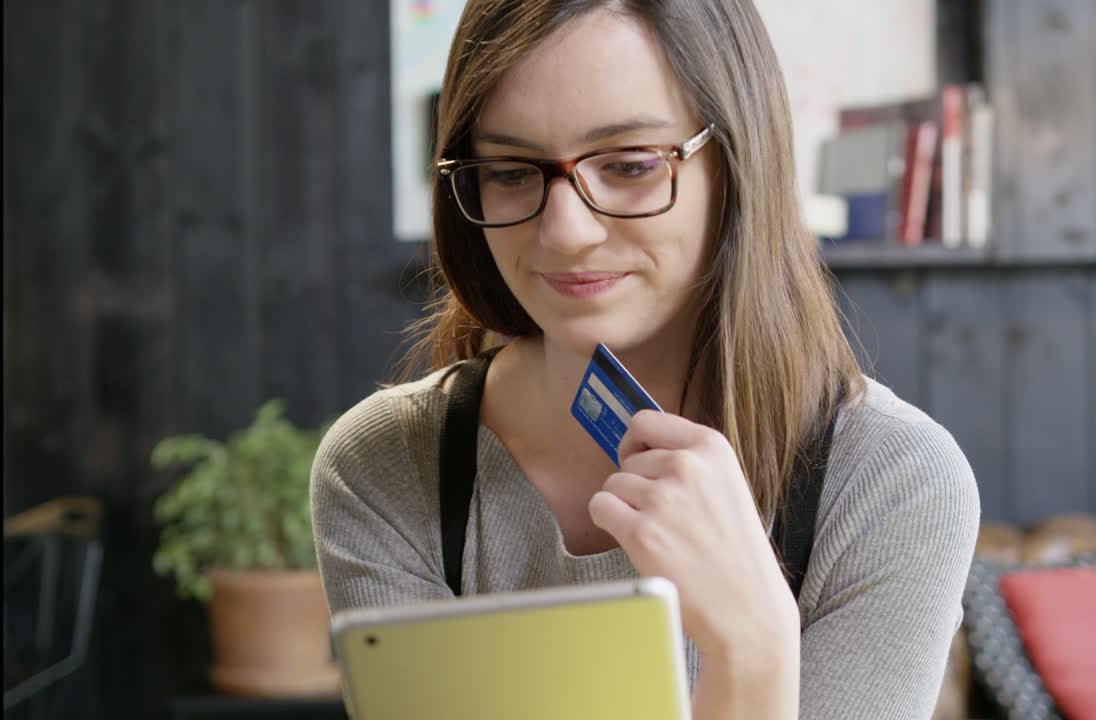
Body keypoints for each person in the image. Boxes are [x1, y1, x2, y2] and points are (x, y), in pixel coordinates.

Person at [310, 1, 980, 718]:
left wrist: (751, 650)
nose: (565, 232)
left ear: (737, 162)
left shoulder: (891, 482)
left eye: (629, 165)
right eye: (509, 172)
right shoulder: (388, 465)